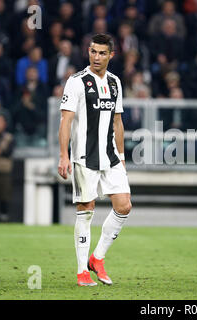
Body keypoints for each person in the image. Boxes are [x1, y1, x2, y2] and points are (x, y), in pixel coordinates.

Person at [57, 34, 132, 287]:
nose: (96, 57)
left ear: (111, 55)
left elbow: (118, 121)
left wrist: (121, 157)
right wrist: (64, 155)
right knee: (86, 212)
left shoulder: (115, 83)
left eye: (102, 53)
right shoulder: (76, 82)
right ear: (88, 52)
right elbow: (65, 120)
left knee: (124, 206)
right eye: (93, 52)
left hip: (111, 157)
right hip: (84, 157)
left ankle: (97, 259)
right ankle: (81, 272)